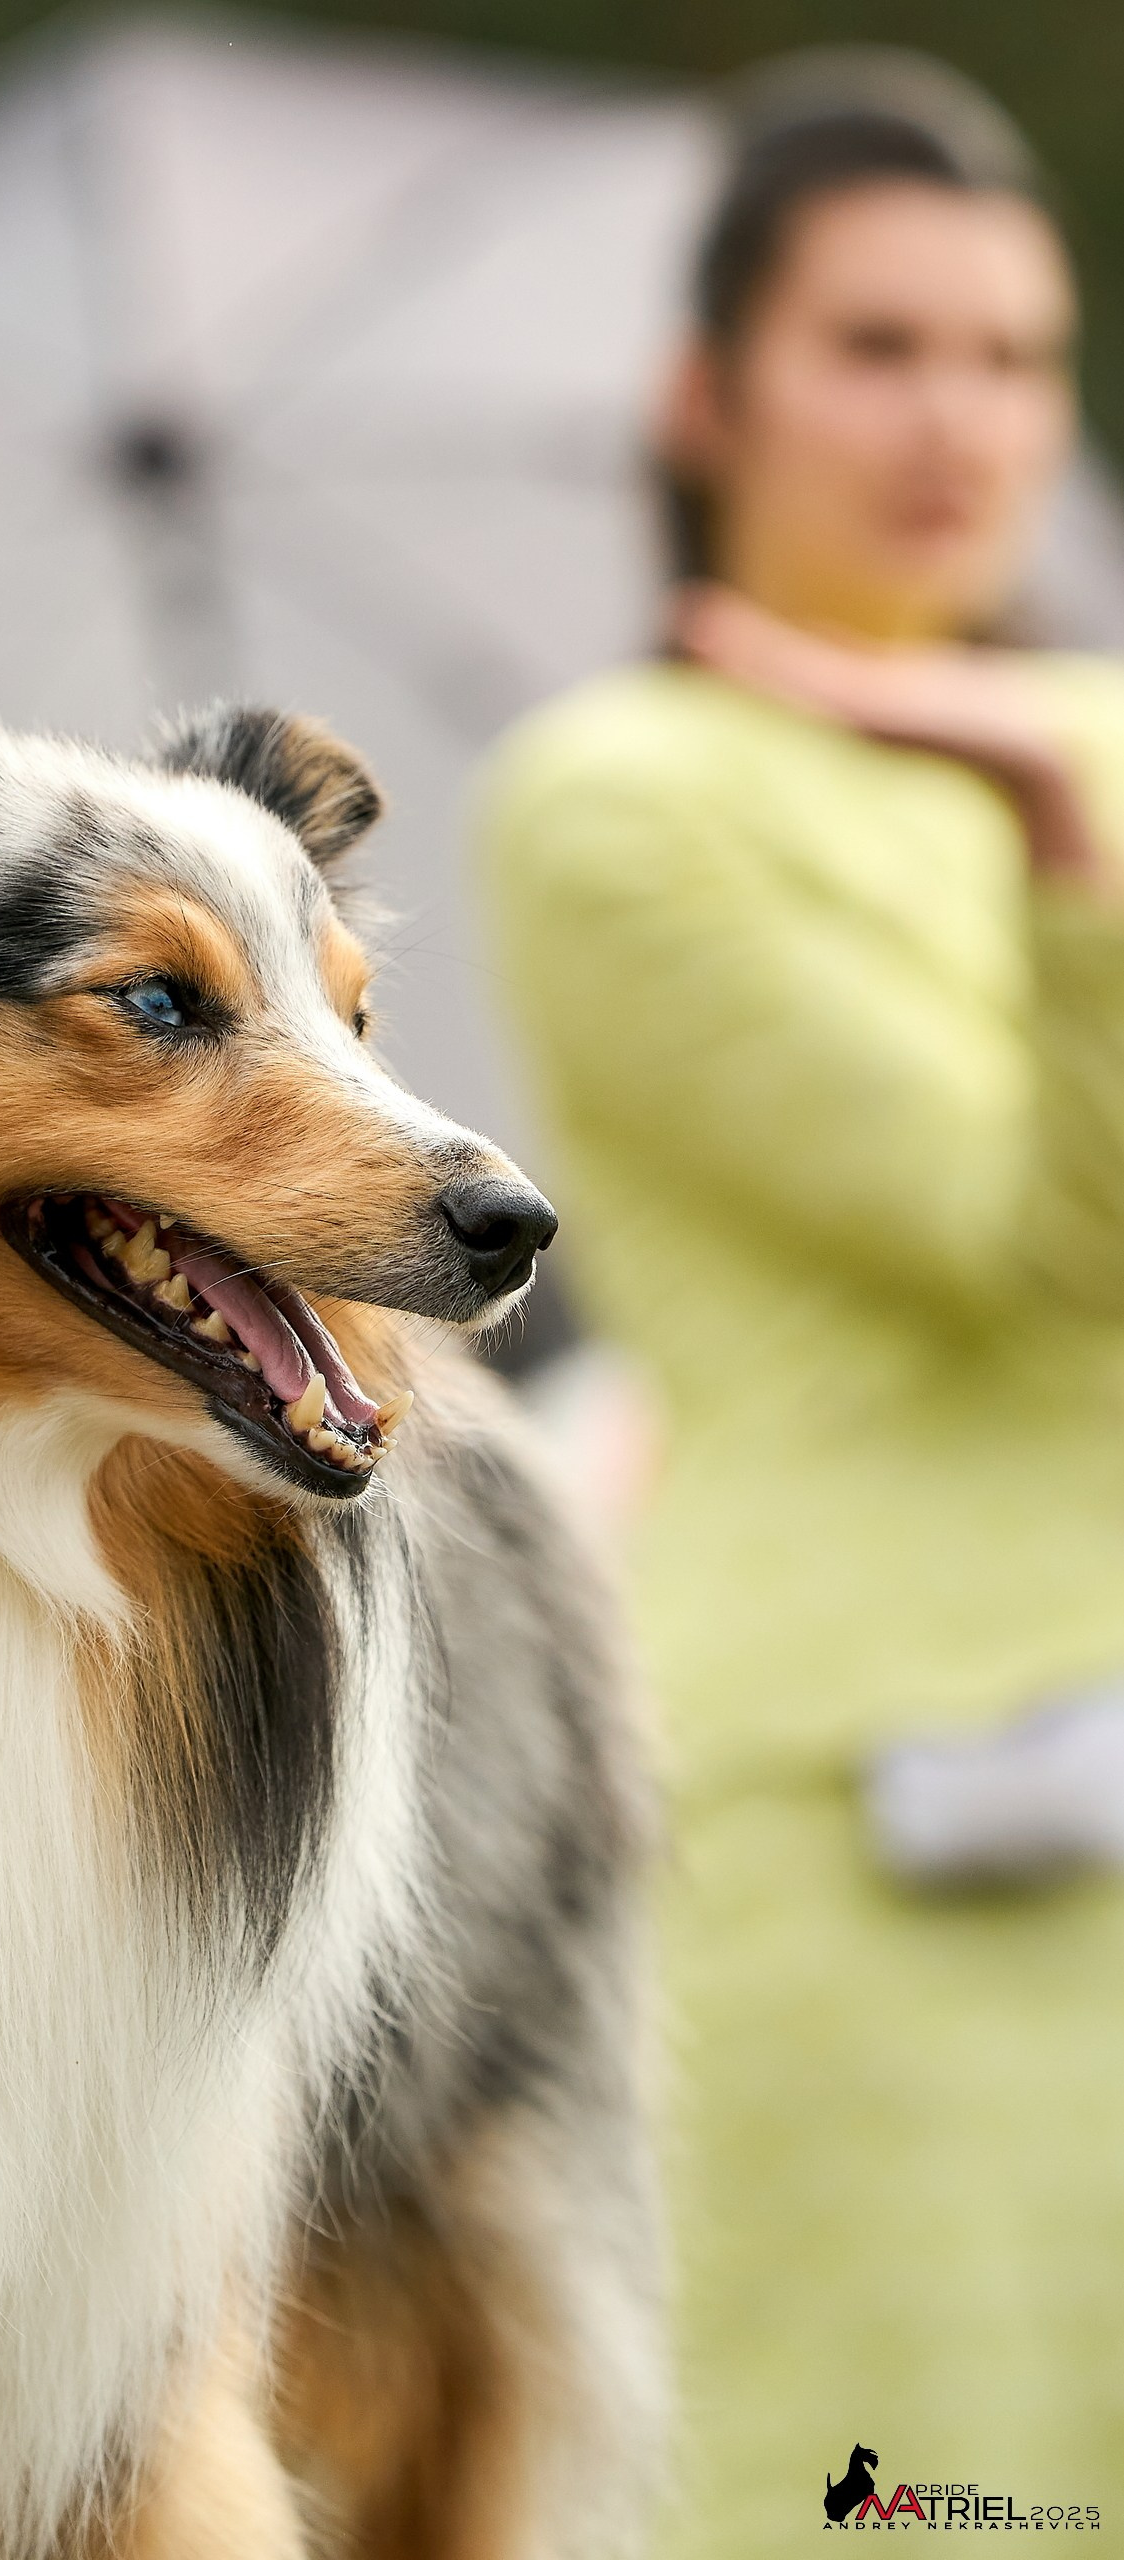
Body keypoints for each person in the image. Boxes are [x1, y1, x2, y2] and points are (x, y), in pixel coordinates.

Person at [483, 52, 1124, 2550]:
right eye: (877, 345)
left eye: (1012, 355)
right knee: (920, 2509)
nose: (956, 418)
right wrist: (1068, 855)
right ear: (704, 393)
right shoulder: (618, 797)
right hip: (884, 1831)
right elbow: (1044, 1233)